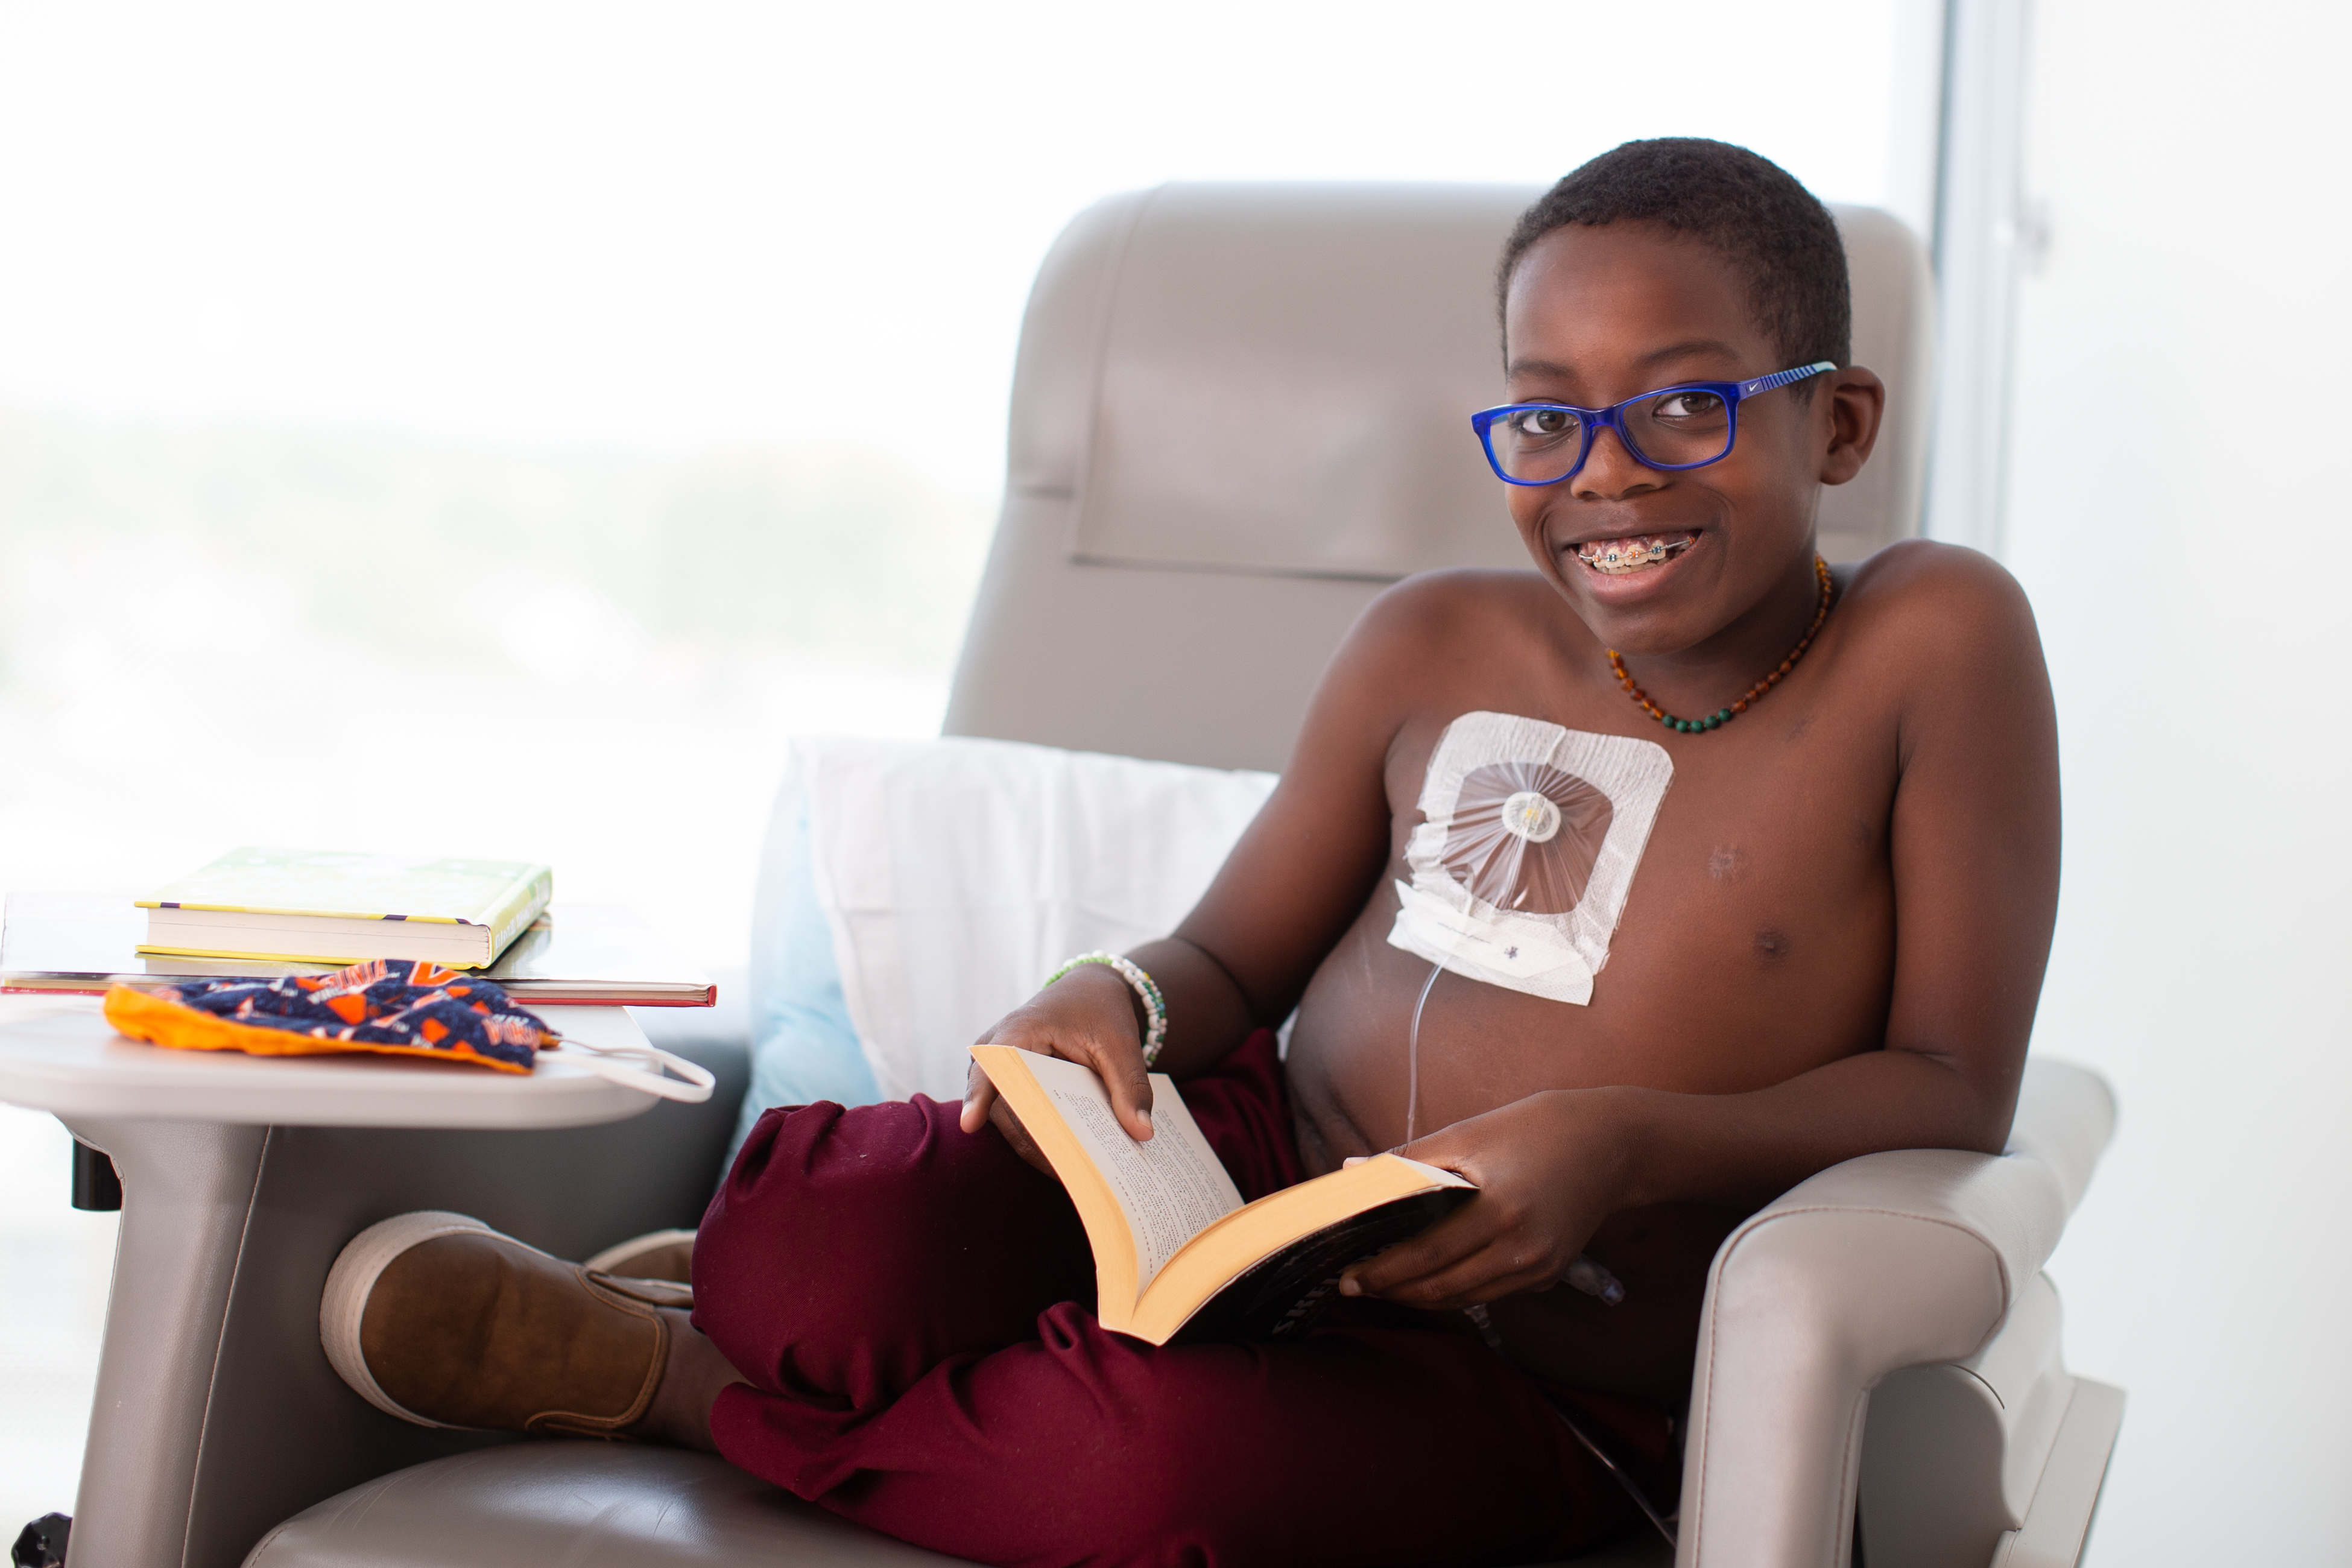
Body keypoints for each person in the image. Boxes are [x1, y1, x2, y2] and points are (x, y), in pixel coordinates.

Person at [319, 138, 2060, 1567]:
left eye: (1684, 409)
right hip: (1239, 1183)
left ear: (1834, 425)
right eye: (1544, 416)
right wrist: (1110, 989)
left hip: (1525, 1370)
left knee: (1138, 1489)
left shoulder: (1927, 641)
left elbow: (1951, 1085)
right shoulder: (1432, 640)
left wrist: (1617, 1140)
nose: (1603, 474)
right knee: (817, 1243)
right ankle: (809, 1328)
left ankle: (688, 1388)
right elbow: (1224, 968)